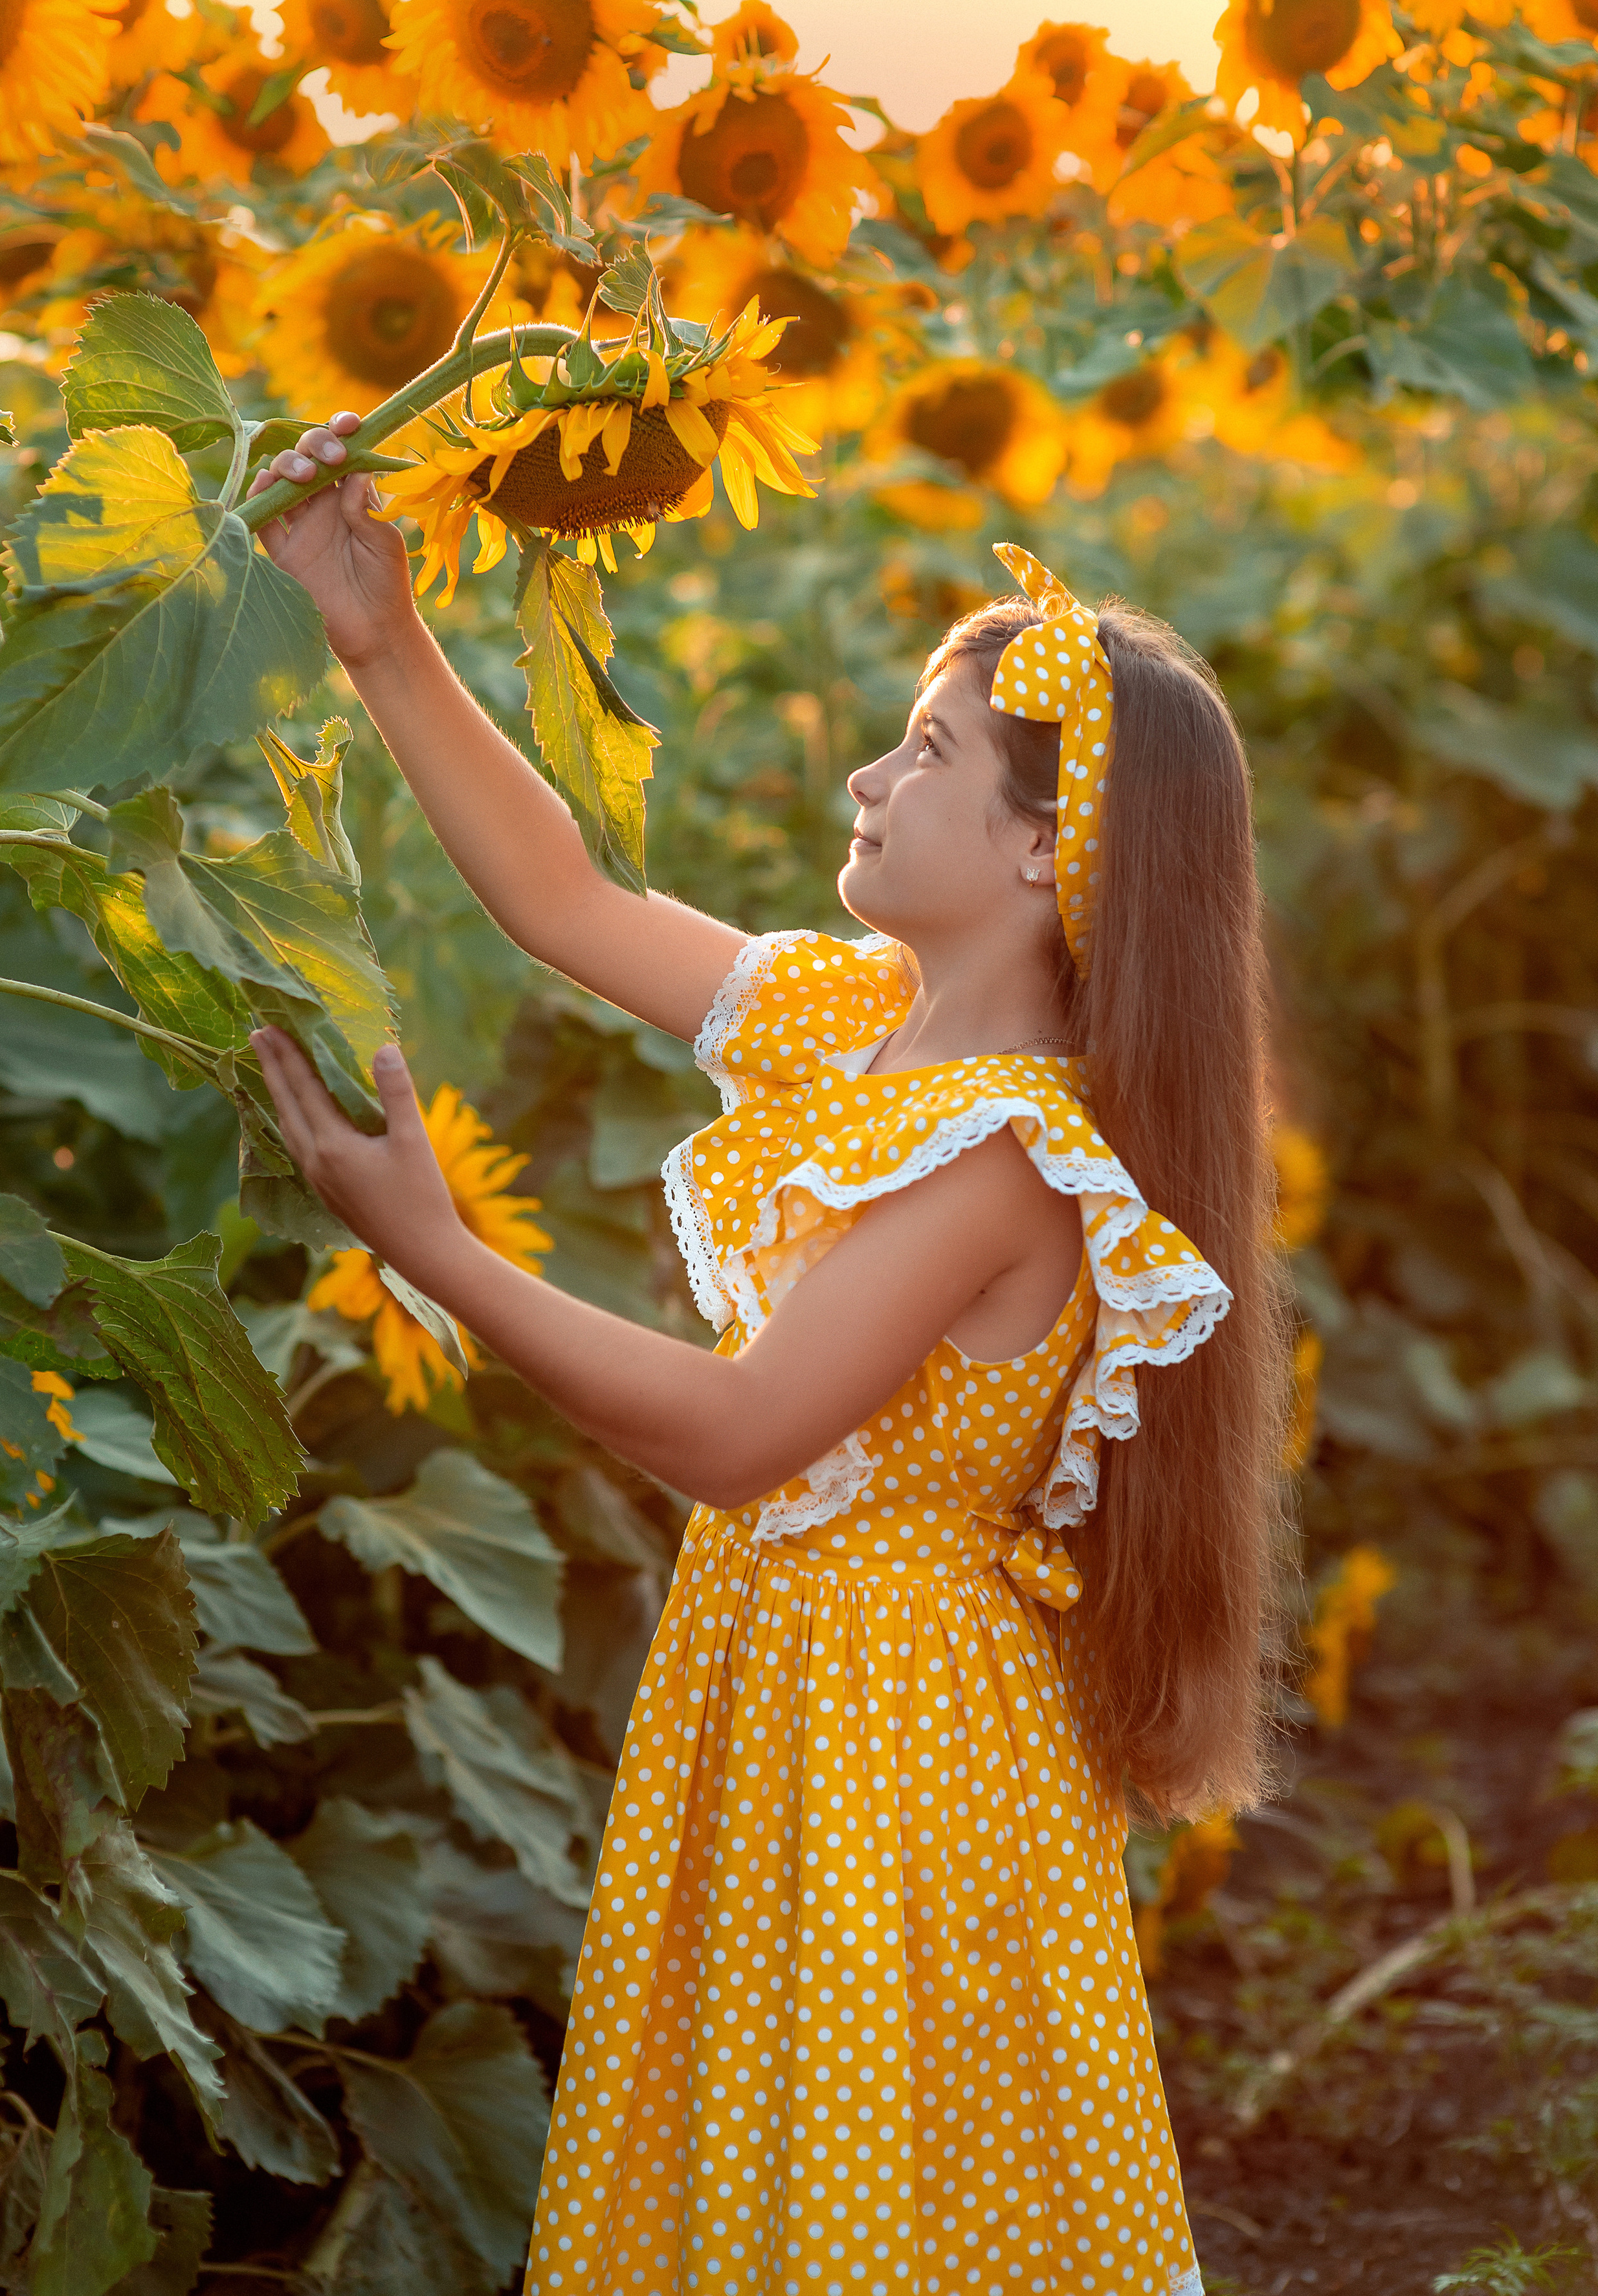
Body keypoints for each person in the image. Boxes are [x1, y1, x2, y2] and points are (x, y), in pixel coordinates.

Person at [248, 418, 1287, 2296]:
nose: (873, 775)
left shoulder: (1004, 1151)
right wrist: (379, 635)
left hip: (903, 1749)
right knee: (768, 2171)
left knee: (873, 2195)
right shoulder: (859, 1022)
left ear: (1056, 845)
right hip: (794, 1685)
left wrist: (441, 1252)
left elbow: (740, 1431)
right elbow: (563, 902)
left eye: (931, 752)